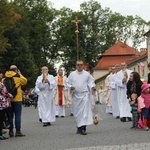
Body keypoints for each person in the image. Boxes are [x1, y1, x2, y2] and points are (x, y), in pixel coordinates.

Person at [66, 60, 96, 135]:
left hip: (84, 95)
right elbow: (67, 83)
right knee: (77, 113)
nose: (80, 66)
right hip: (76, 96)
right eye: (78, 65)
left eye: (81, 65)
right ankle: (79, 127)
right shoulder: (72, 74)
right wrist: (71, 87)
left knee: (84, 112)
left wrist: (92, 87)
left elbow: (91, 82)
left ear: (83, 66)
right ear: (76, 66)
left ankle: (83, 128)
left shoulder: (87, 74)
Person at [2, 65, 27, 137]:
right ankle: (18, 131)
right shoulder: (18, 77)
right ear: (16, 70)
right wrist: (20, 74)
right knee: (18, 115)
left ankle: (10, 131)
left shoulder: (4, 78)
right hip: (17, 99)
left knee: (10, 116)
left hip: (8, 99)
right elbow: (25, 81)